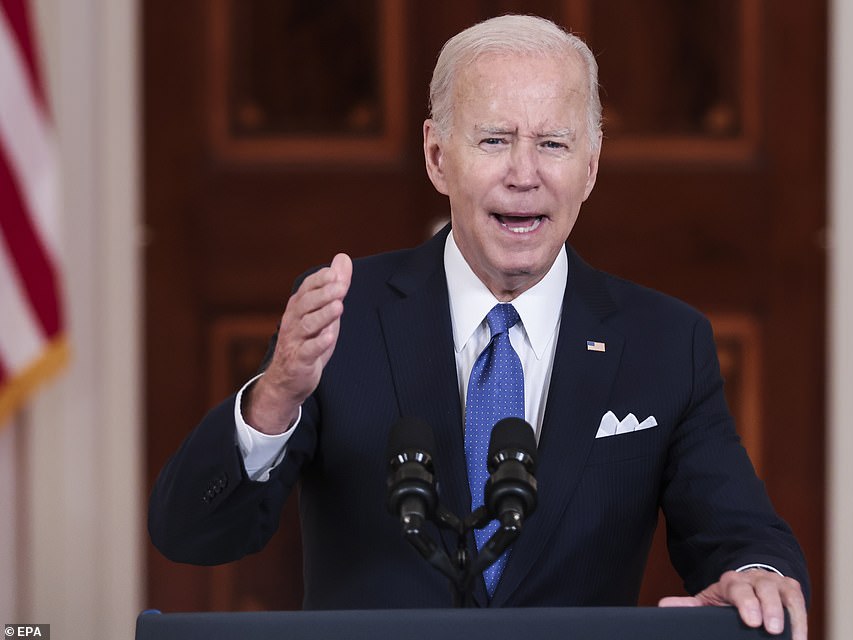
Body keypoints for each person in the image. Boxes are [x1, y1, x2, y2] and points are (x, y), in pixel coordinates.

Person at [149, 14, 809, 639]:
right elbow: (192, 534)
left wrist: (756, 575)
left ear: (592, 165)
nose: (524, 175)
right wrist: (274, 399)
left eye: (553, 144)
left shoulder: (666, 343)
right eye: (495, 140)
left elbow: (739, 531)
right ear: (438, 156)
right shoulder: (343, 318)